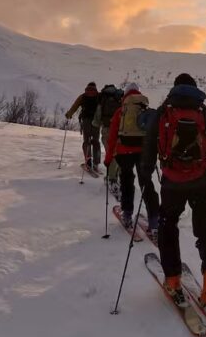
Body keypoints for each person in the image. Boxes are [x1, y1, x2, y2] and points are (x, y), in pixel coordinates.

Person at [141, 73, 206, 320]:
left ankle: (173, 281)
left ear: (175, 89)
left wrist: (145, 174)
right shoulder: (204, 112)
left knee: (168, 226)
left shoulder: (163, 112)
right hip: (203, 182)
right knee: (205, 229)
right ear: (194, 89)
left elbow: (149, 149)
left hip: (172, 183)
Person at [104, 82, 160, 237]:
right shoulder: (145, 110)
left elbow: (112, 137)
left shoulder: (121, 111)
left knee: (127, 182)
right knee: (146, 184)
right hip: (143, 153)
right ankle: (155, 220)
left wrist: (108, 159)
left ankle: (127, 214)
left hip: (124, 153)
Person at [93, 84, 123, 198]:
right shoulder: (119, 98)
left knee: (111, 154)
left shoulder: (103, 99)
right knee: (119, 154)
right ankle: (118, 176)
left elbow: (96, 120)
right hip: (120, 131)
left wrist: (98, 124)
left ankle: (112, 179)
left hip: (107, 130)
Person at [66, 82, 101, 173]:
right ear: (95, 87)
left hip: (86, 121)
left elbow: (75, 106)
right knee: (96, 142)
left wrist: (69, 114)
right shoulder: (99, 95)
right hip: (96, 121)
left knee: (87, 141)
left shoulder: (83, 96)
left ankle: (88, 160)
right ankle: (96, 163)